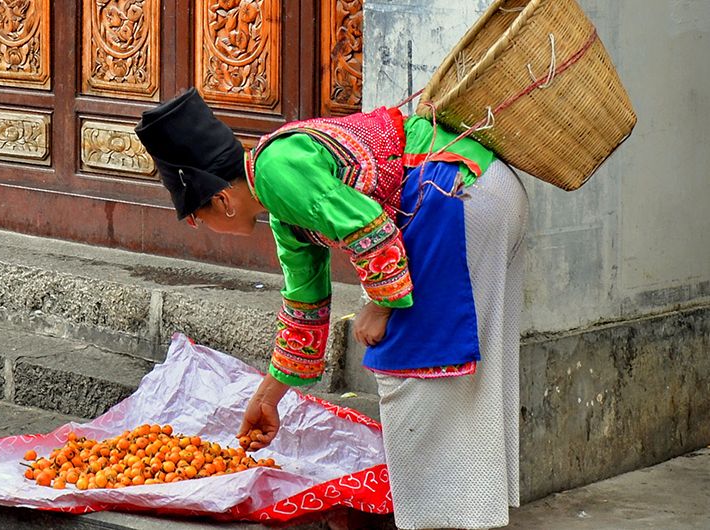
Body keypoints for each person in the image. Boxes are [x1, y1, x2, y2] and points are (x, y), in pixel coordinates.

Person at [135, 88, 528, 530]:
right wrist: (266, 398)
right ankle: (469, 513)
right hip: (481, 191)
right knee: (458, 367)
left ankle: (444, 520)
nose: (195, 225)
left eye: (194, 214)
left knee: (412, 365)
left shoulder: (275, 168)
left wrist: (380, 304)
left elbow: (369, 224)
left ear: (222, 200)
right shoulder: (282, 210)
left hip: (455, 189)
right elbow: (304, 308)